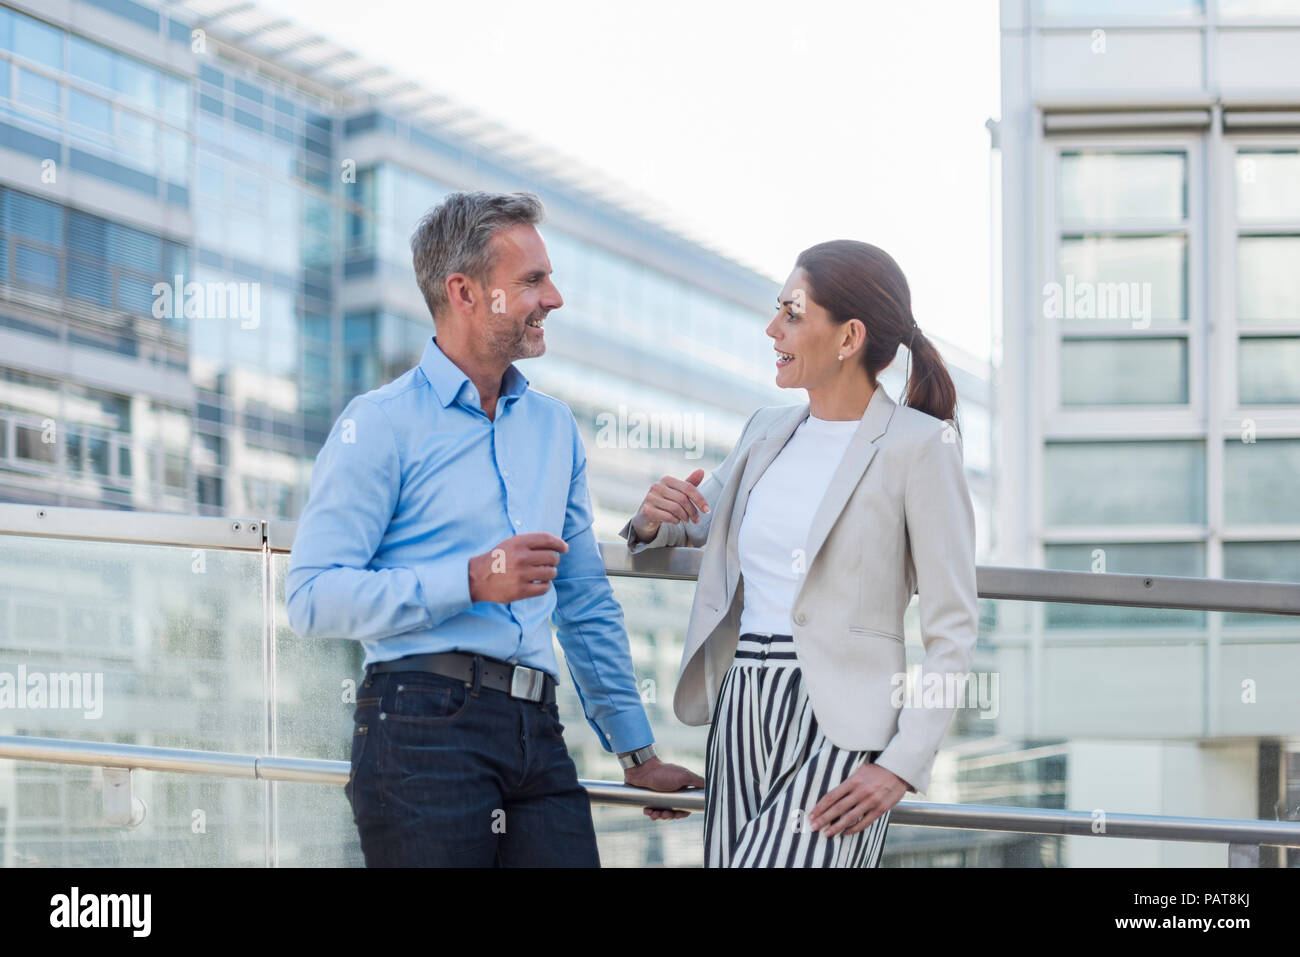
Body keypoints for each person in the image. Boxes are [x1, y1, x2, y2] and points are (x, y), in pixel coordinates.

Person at [287, 190, 702, 867]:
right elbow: (310, 598)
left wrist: (638, 753)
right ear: (465, 292)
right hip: (419, 725)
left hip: (537, 732)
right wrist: (471, 580)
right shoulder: (379, 424)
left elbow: (584, 599)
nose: (555, 297)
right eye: (532, 280)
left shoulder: (554, 427)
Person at [621, 239, 979, 867]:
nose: (771, 328)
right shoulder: (766, 430)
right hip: (743, 703)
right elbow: (703, 525)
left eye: (791, 312)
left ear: (849, 338)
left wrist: (901, 764)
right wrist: (652, 523)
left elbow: (953, 629)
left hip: (844, 722)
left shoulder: (920, 447)